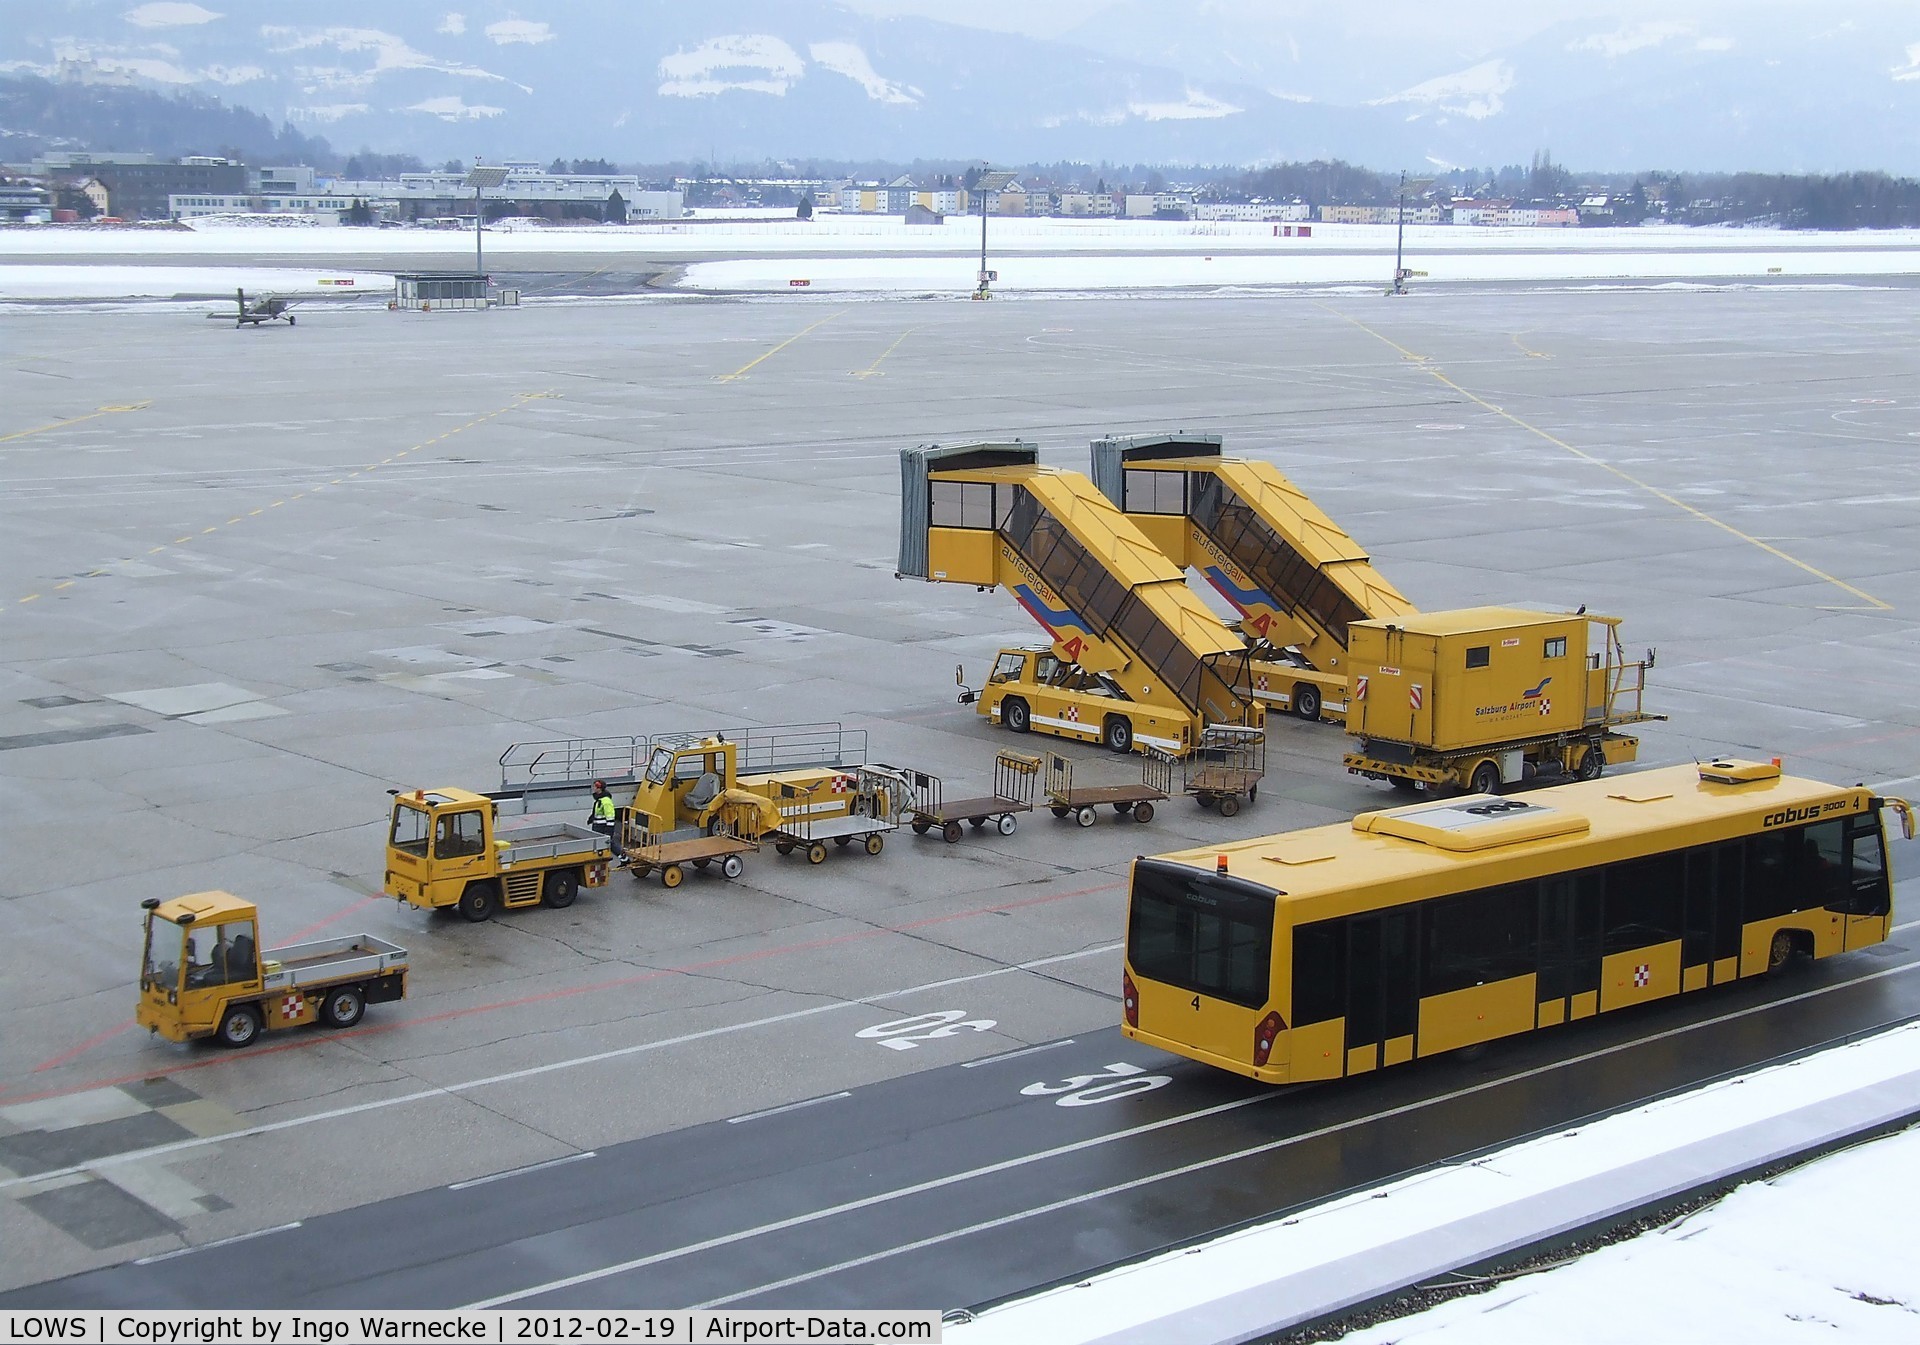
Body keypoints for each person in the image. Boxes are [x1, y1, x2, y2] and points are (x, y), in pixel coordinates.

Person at [589, 780, 624, 863]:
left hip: (603, 827)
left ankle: (624, 858)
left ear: (599, 788)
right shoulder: (599, 799)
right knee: (602, 844)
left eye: (594, 787)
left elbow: (610, 817)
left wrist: (609, 831)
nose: (593, 788)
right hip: (598, 827)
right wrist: (591, 818)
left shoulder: (606, 801)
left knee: (610, 844)